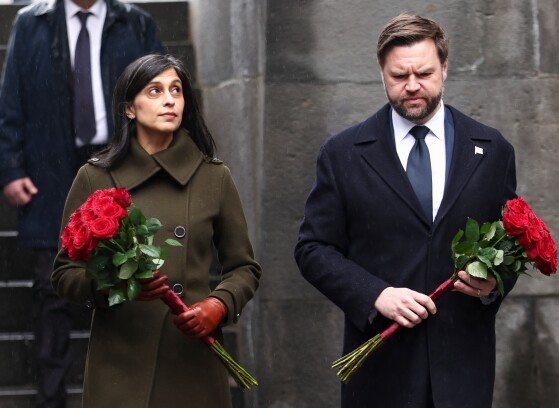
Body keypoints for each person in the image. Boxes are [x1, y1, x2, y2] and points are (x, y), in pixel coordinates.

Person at [295, 14, 518, 408]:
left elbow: (509, 247)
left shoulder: (492, 149)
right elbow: (313, 249)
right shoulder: (342, 153)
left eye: (425, 73)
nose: (412, 86)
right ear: (381, 71)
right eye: (399, 75)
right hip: (381, 370)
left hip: (463, 370)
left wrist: (492, 286)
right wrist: (375, 294)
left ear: (445, 68)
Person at [51, 54, 261, 408]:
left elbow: (244, 268)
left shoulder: (214, 176)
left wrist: (218, 304)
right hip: (120, 363)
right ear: (130, 108)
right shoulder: (95, 177)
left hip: (192, 358)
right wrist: (118, 283)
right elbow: (63, 273)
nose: (169, 100)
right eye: (155, 90)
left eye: (176, 90)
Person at [0, 0, 163, 406]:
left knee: (130, 280)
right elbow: (11, 102)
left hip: (122, 165)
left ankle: (129, 396)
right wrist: (11, 168)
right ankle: (50, 397)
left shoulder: (136, 23)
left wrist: (157, 167)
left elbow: (164, 98)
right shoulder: (30, 23)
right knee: (49, 286)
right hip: (50, 169)